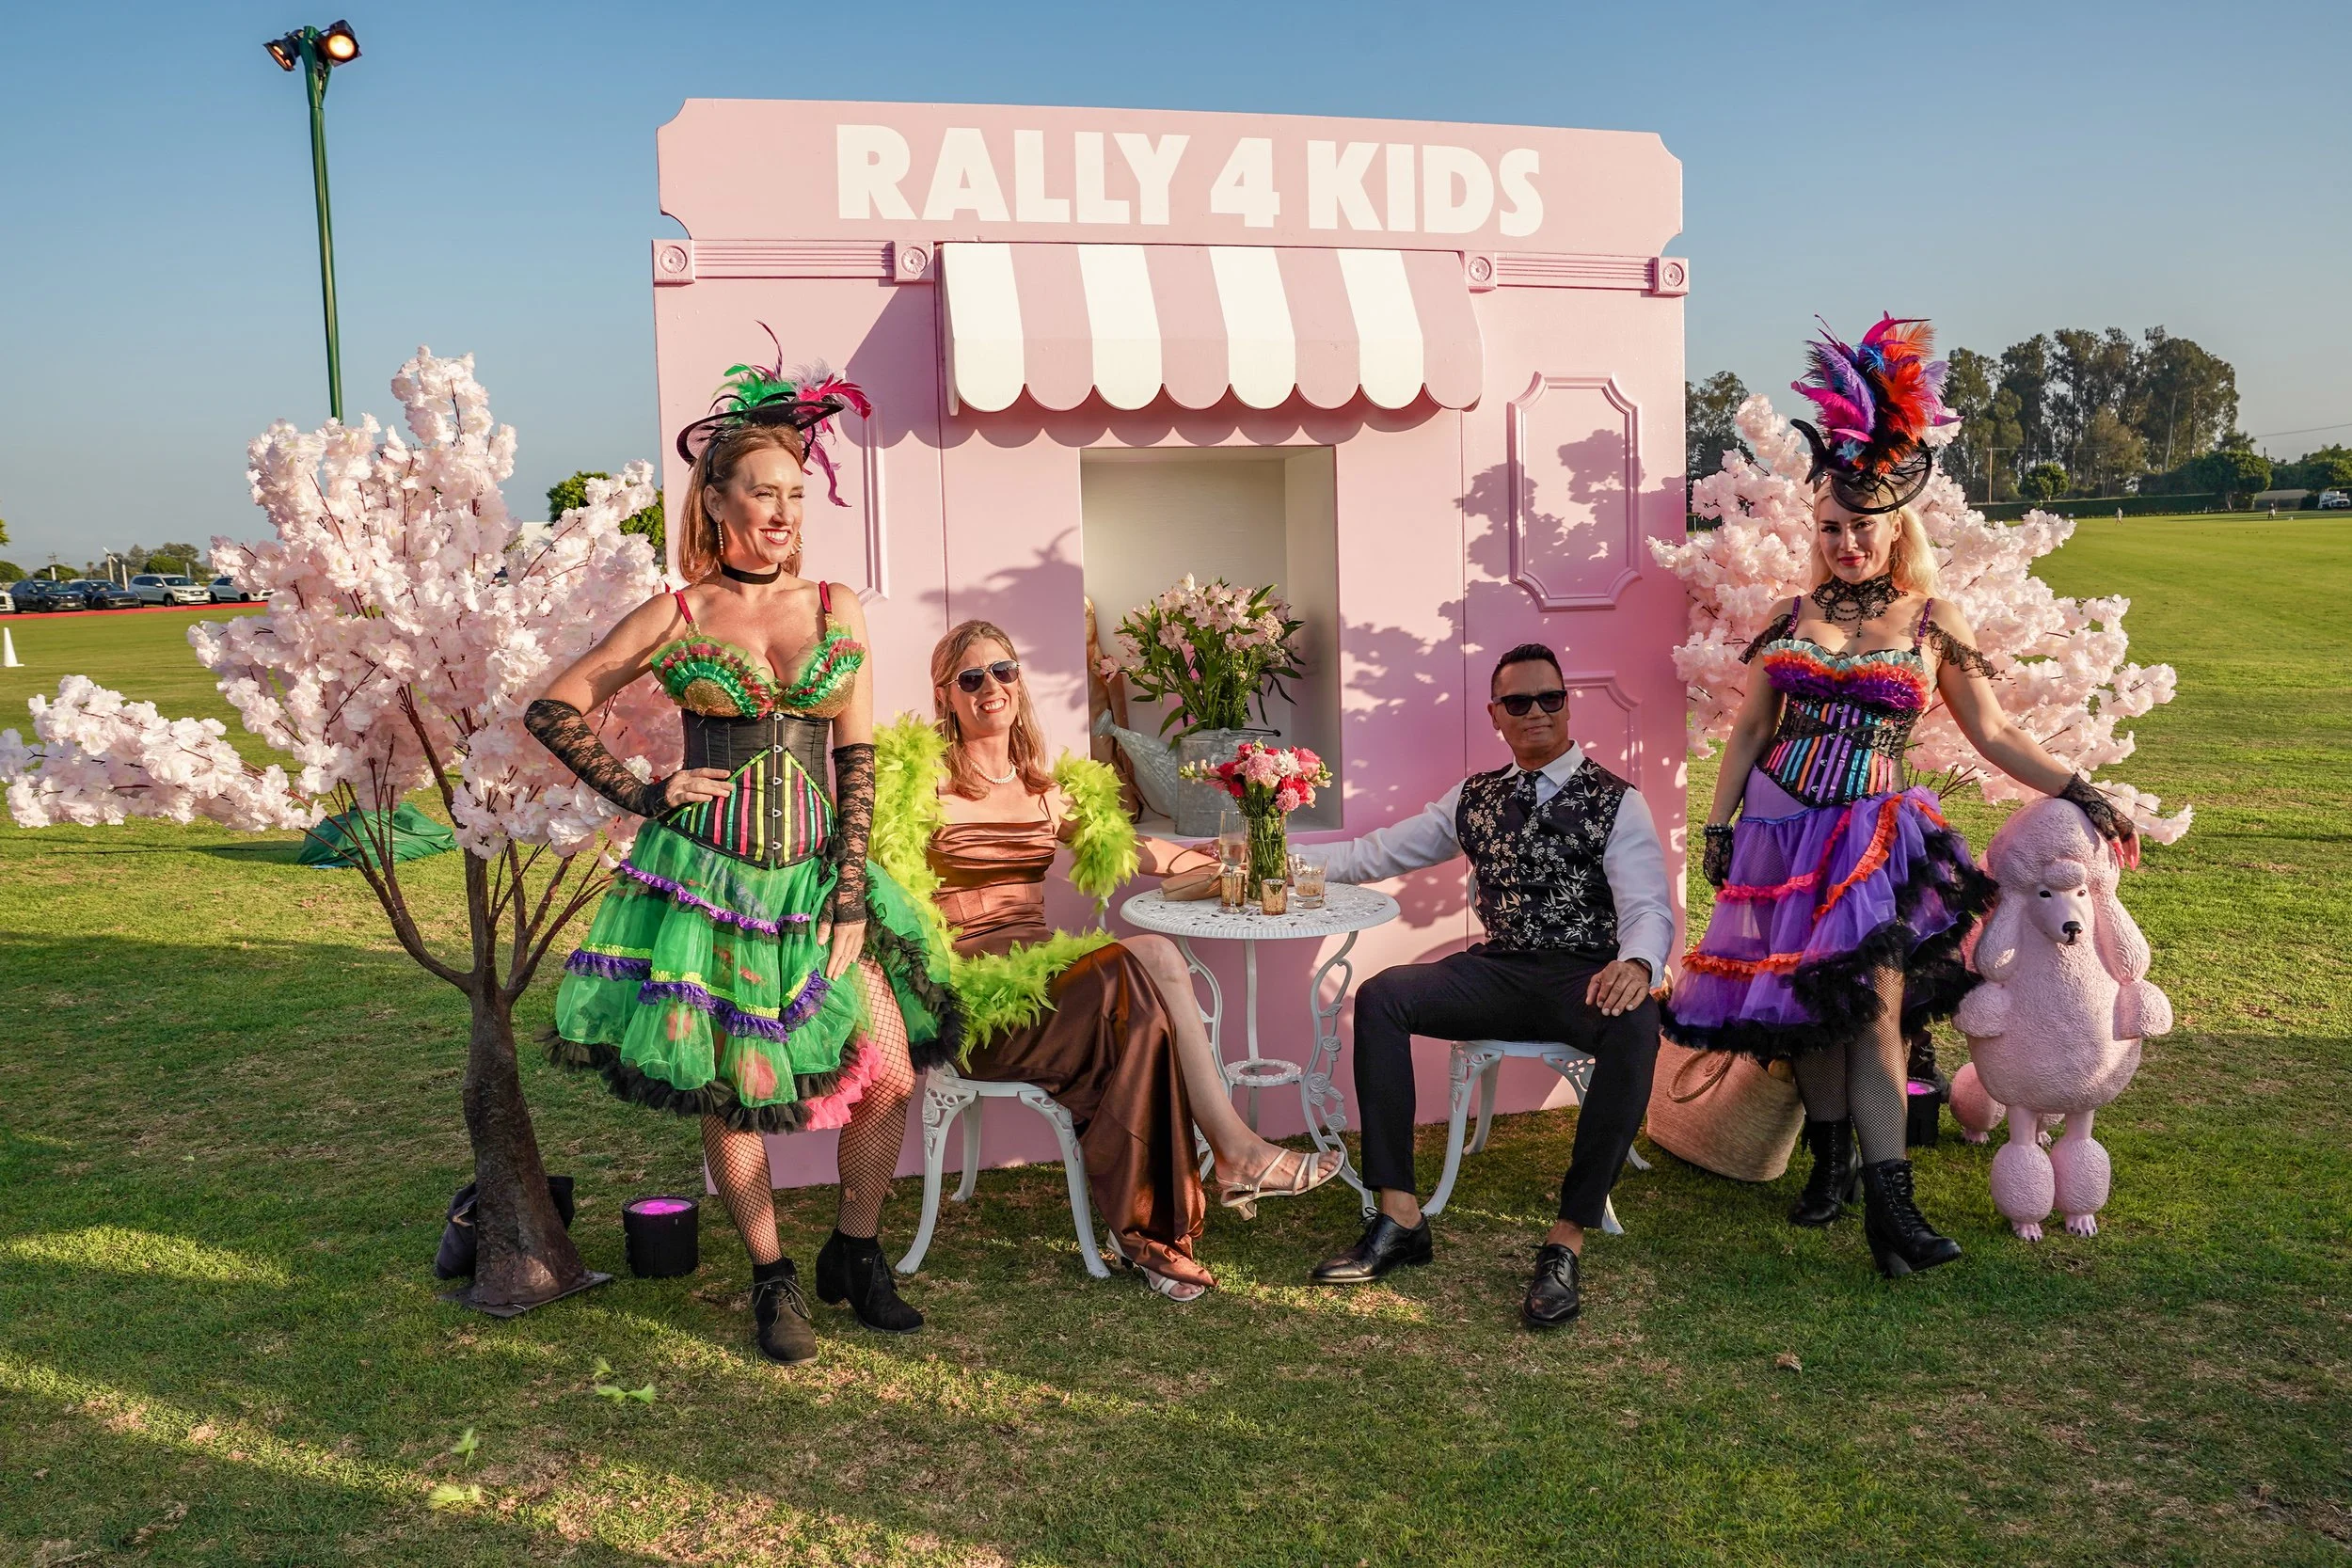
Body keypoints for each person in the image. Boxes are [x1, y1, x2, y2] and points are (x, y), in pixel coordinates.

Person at [1665, 313, 2141, 1278]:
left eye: (1861, 526)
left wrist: (2085, 790)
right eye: (1830, 527)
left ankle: (1893, 1210)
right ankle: (1833, 1163)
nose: (1845, 541)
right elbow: (1752, 729)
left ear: (1894, 528)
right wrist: (1719, 826)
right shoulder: (1788, 616)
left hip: (1868, 838)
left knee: (1877, 1010)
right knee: (1809, 1008)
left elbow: (1996, 730)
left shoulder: (1930, 618)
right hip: (1777, 828)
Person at [528, 350, 961, 1364]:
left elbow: (854, 747)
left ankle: (854, 1253)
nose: (782, 512)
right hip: (710, 884)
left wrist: (850, 887)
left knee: (891, 1073)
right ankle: (771, 1278)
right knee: (731, 1087)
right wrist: (644, 789)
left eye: (795, 495)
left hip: (816, 870)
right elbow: (555, 704)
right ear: (716, 500)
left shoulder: (835, 604)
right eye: (762, 492)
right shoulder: (681, 612)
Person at [869, 621, 1343, 1302]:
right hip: (972, 1005)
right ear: (944, 695)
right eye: (970, 678)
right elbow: (887, 895)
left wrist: (1220, 861)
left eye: (1002, 671)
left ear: (1019, 680)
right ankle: (1224, 1161)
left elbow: (1135, 852)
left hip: (1051, 989)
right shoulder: (920, 786)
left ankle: (1188, 1199)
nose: (990, 688)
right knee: (1142, 968)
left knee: (1146, 990)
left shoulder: (1046, 789)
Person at [1295, 643, 1675, 1330]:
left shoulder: (1618, 801)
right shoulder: (1475, 796)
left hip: (1584, 971)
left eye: (1550, 698)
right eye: (1520, 702)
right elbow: (1374, 852)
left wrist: (1639, 963)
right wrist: (1270, 854)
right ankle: (1400, 1216)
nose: (1537, 713)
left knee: (1636, 1026)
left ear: (1567, 704)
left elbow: (1648, 903)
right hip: (1498, 968)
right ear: (1496, 714)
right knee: (1384, 995)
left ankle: (1565, 1241)